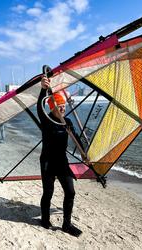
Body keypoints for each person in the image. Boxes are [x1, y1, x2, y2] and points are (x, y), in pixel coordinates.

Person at [37, 76, 83, 237]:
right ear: (52, 106)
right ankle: (45, 219)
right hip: (48, 161)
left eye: (64, 106)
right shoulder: (46, 119)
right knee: (48, 192)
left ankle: (66, 224)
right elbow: (39, 106)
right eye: (60, 106)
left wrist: (85, 154)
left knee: (70, 192)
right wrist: (43, 89)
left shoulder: (68, 121)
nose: (63, 108)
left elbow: (76, 139)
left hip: (62, 162)